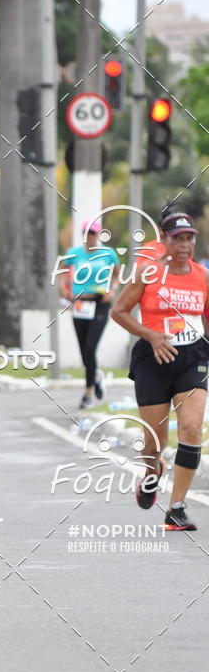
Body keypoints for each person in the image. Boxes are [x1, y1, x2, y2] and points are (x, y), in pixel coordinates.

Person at [111, 211, 209, 531]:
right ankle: (153, 472)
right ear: (164, 241)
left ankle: (177, 508)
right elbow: (119, 311)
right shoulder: (147, 272)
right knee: (154, 443)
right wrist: (151, 335)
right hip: (153, 360)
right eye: (177, 238)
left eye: (188, 238)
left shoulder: (202, 276)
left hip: (192, 357)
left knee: (192, 429)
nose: (183, 244)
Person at [58, 219, 119, 410]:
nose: (89, 237)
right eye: (86, 233)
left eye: (93, 233)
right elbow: (61, 269)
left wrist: (113, 289)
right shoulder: (74, 253)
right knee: (84, 348)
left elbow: (117, 274)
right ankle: (96, 375)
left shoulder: (108, 254)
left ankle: (88, 393)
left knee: (91, 346)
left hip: (100, 302)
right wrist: (63, 287)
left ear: (98, 235)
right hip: (80, 302)